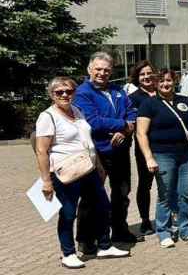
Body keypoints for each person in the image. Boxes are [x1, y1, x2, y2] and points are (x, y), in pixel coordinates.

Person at [35, 76, 130, 268]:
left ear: (74, 93)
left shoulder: (77, 111)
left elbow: (87, 140)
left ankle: (104, 246)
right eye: (59, 92)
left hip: (88, 168)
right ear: (52, 95)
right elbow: (41, 151)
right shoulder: (48, 117)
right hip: (65, 173)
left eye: (68, 91)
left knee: (102, 206)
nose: (64, 95)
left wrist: (99, 166)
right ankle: (68, 253)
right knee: (68, 213)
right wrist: (46, 181)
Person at [73, 52, 139, 248]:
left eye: (106, 70)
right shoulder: (82, 92)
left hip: (120, 150)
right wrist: (123, 125)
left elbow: (132, 112)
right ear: (89, 70)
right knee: (91, 196)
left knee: (122, 193)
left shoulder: (118, 90)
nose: (102, 73)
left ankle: (119, 229)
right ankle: (86, 238)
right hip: (97, 151)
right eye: (98, 69)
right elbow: (93, 121)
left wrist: (126, 131)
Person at [136, 69, 188, 248]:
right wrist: (149, 157)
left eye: (169, 80)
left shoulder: (185, 101)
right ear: (156, 83)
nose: (166, 84)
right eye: (162, 81)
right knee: (165, 194)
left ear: (175, 82)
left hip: (186, 155)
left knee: (185, 193)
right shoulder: (149, 104)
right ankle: (163, 231)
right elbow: (141, 133)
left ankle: (186, 228)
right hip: (162, 154)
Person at [128, 61, 158, 236]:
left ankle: (168, 216)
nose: (146, 77)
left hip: (166, 146)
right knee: (145, 184)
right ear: (137, 78)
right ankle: (145, 220)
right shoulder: (133, 98)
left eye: (149, 73)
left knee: (167, 184)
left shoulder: (163, 93)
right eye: (142, 74)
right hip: (145, 147)